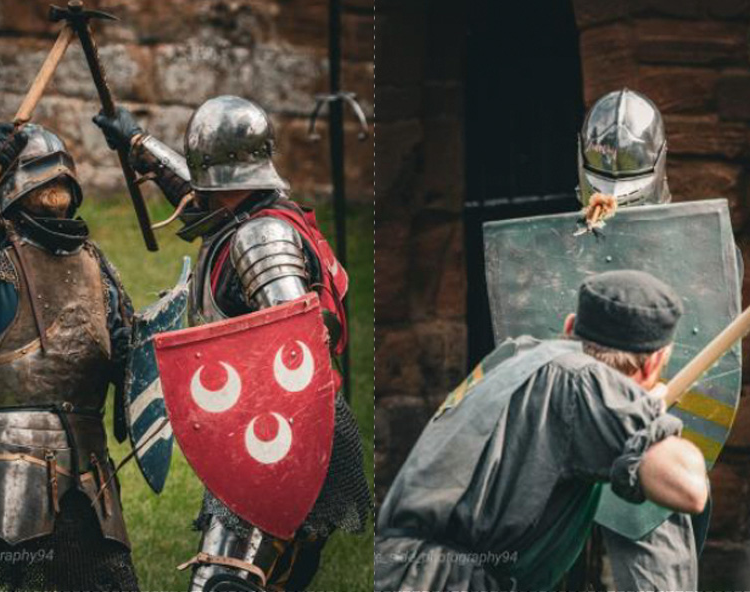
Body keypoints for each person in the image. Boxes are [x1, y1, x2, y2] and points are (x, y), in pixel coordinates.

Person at [93, 95, 371, 591]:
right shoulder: (250, 214)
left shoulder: (259, 237)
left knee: (226, 583)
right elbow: (197, 194)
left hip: (279, 439)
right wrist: (139, 144)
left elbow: (295, 337)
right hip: (276, 435)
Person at [373, 270, 708, 592]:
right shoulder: (580, 380)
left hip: (400, 570)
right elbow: (689, 490)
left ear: (569, 327)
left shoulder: (517, 357)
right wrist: (651, 419)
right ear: (654, 362)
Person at [0, 123, 138, 590]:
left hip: (89, 474)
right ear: (13, 188)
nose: (54, 185)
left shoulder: (97, 266)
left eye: (61, 179)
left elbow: (129, 362)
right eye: (42, 177)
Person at [578, 88, 709, 591]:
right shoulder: (562, 243)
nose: (612, 187)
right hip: (583, 418)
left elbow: (703, 338)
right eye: (602, 170)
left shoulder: (691, 247)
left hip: (656, 431)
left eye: (628, 173)